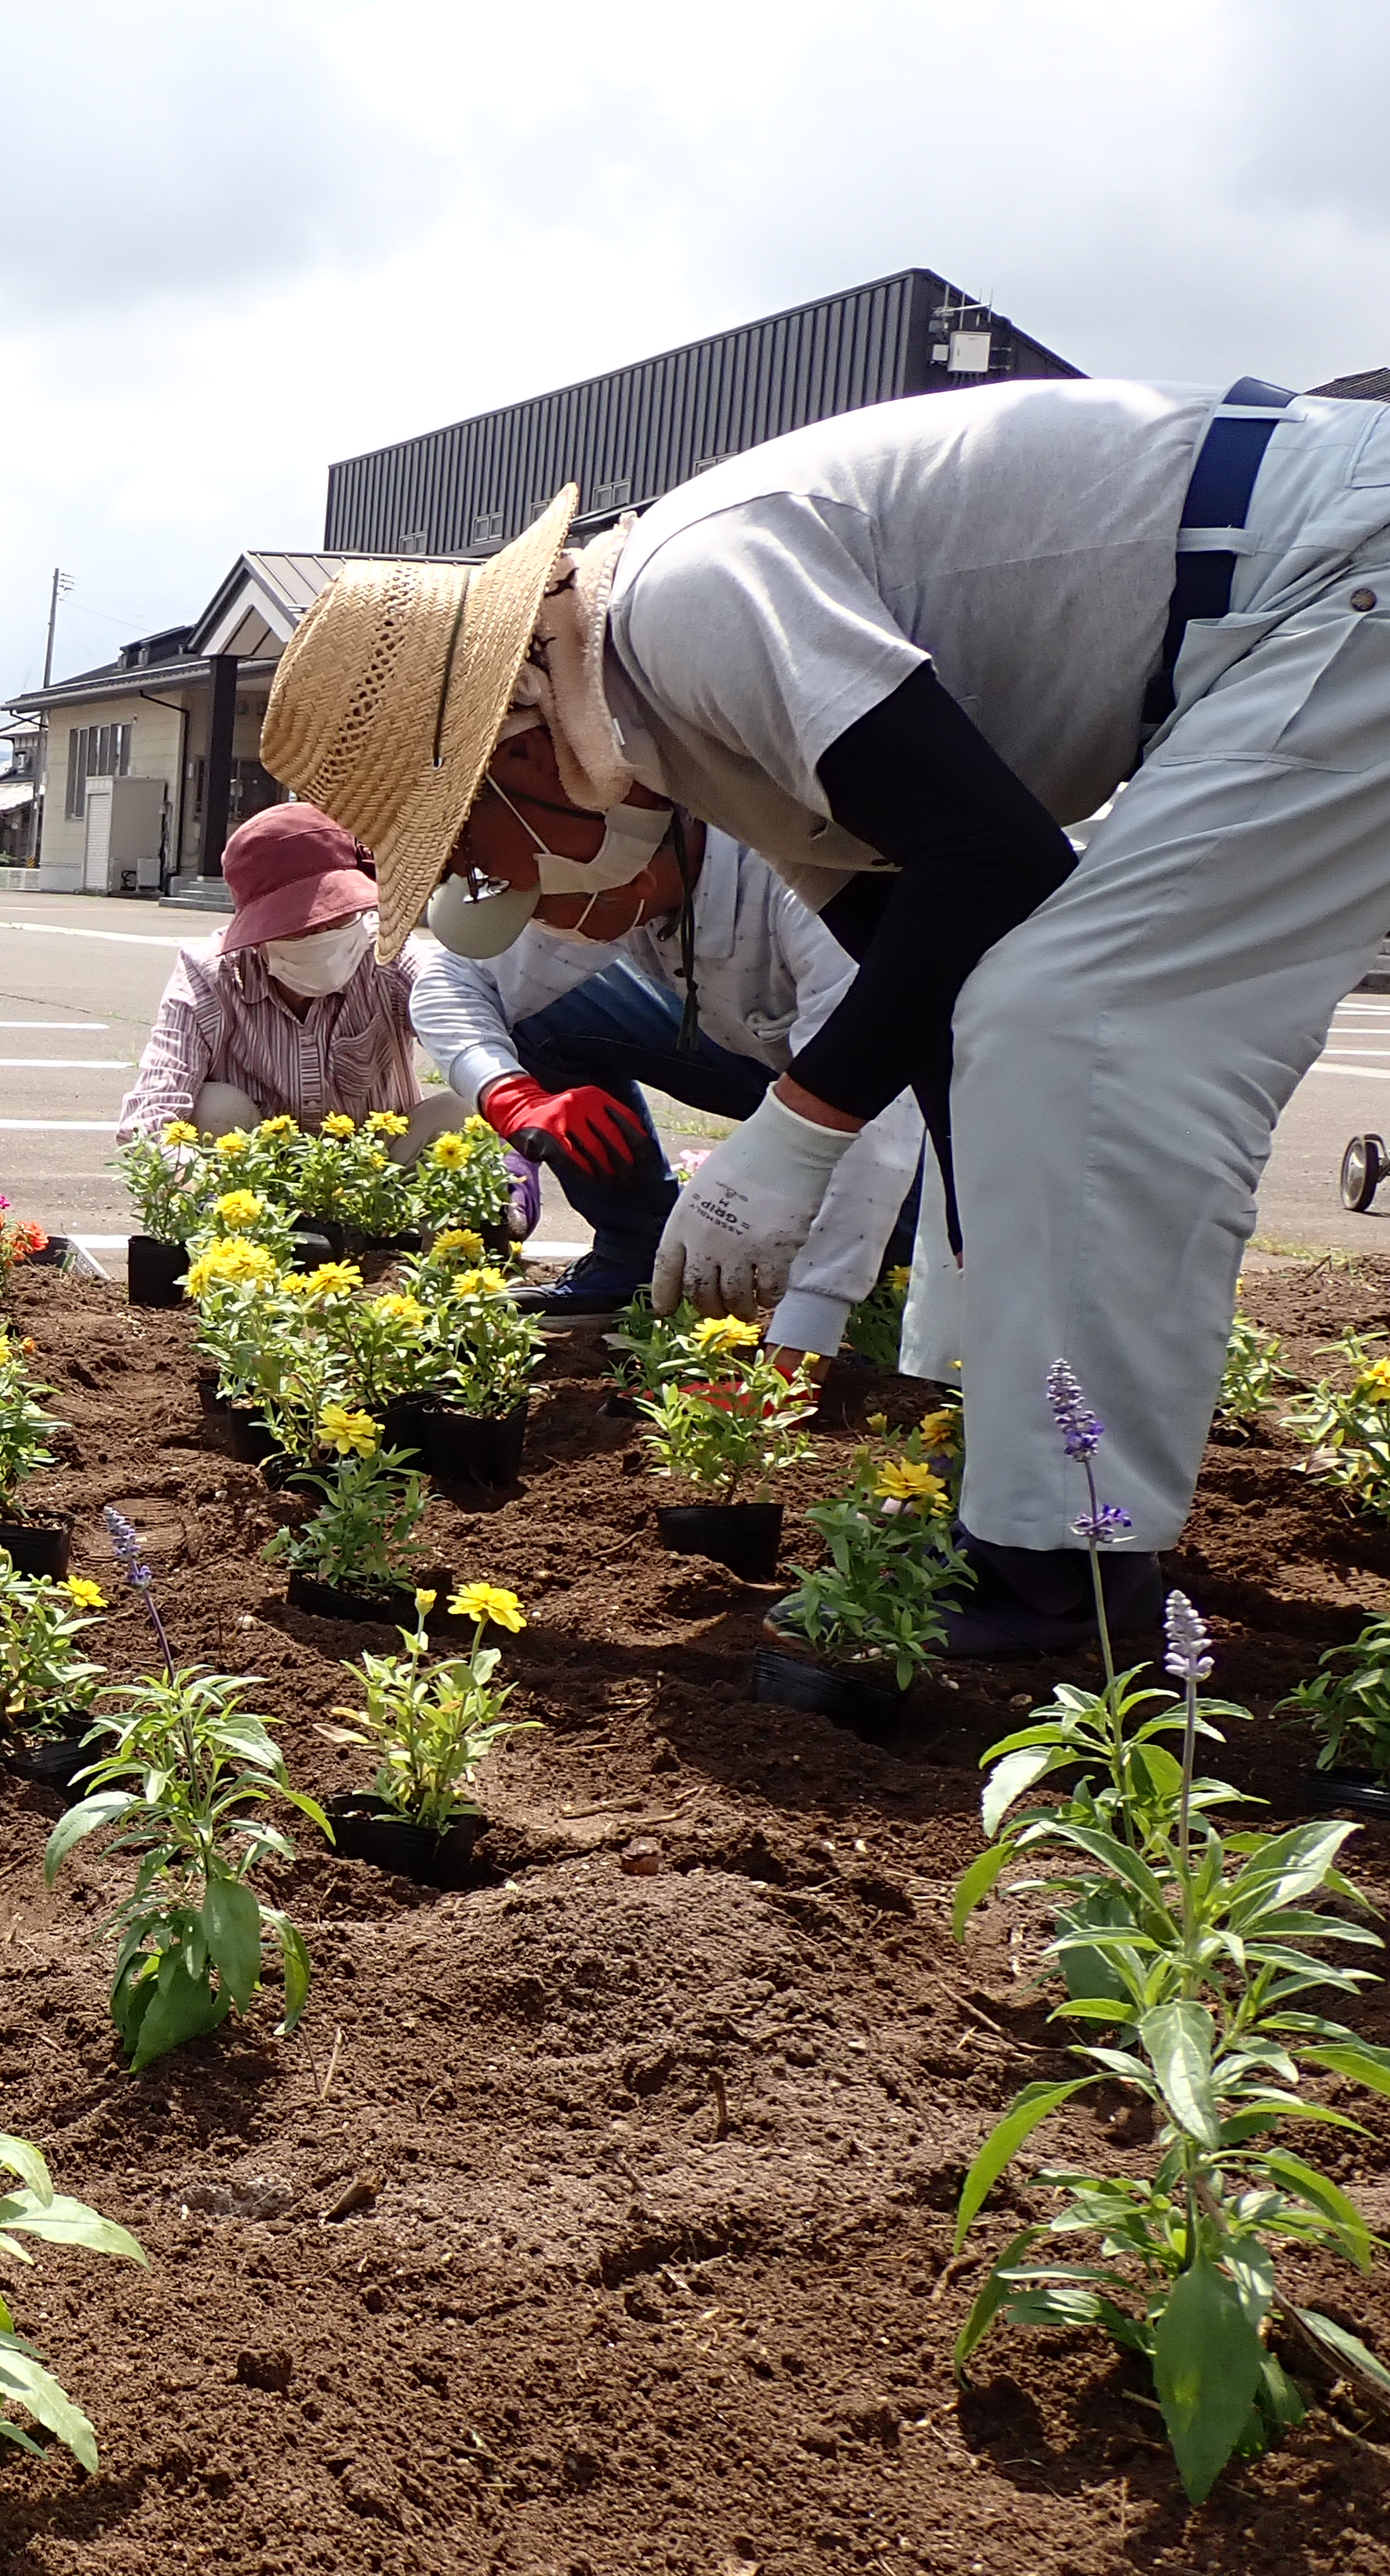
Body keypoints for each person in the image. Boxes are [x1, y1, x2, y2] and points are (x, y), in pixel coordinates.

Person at [263, 370, 1390, 1651]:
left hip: (1337, 579)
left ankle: (1059, 1572)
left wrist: (790, 1142)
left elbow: (999, 867)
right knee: (1021, 1026)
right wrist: (960, 1283)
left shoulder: (688, 607)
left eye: (474, 855)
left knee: (1083, 1028)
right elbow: (931, 976)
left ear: (511, 753)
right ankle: (1034, 1520)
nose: (506, 892)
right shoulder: (670, 714)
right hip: (1284, 614)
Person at [408, 818, 923, 1347]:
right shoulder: (610, 861)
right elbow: (455, 980)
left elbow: (879, 1111)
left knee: (904, 1271)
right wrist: (510, 1097)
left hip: (914, 1095)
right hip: (758, 1052)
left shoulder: (806, 886)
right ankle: (637, 1251)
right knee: (538, 1019)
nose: (536, 927)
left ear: (630, 885)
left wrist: (809, 1322)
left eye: (538, 908)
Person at [113, 803, 476, 1147]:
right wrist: (199, 1194)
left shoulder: (389, 953)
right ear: (256, 935)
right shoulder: (209, 976)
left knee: (463, 1110)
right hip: (252, 1179)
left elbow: (466, 1035)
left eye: (339, 916)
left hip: (379, 1177)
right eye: (300, 928)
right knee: (212, 1108)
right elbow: (148, 1118)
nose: (324, 935)